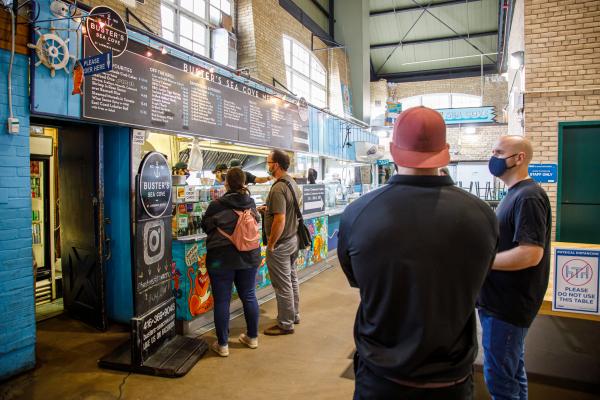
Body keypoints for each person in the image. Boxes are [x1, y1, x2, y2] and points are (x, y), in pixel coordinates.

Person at [338, 106, 499, 400]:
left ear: (392, 149)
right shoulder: (483, 216)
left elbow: (357, 278)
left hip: (380, 380)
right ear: (446, 151)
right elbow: (482, 275)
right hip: (451, 381)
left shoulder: (358, 214)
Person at [477, 136, 552, 399]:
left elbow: (531, 254)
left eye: (499, 152)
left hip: (507, 306)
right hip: (501, 303)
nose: (493, 157)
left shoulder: (529, 196)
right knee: (513, 372)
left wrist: (482, 262)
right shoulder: (515, 194)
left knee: (500, 381)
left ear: (519, 158)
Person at [200, 167, 261, 357]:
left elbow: (206, 227)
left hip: (221, 259)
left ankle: (223, 345)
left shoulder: (216, 205)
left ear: (226, 183)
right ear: (244, 182)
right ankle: (252, 337)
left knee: (222, 301)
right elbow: (257, 220)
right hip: (249, 257)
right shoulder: (250, 202)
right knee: (249, 295)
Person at [259, 149, 301, 335]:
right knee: (292, 279)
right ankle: (294, 315)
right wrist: (268, 210)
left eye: (268, 162)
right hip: (293, 239)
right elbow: (289, 210)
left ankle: (285, 323)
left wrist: (272, 243)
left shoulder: (277, 188)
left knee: (282, 285)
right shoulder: (292, 183)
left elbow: (280, 219)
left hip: (281, 243)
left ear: (276, 165)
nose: (267, 165)